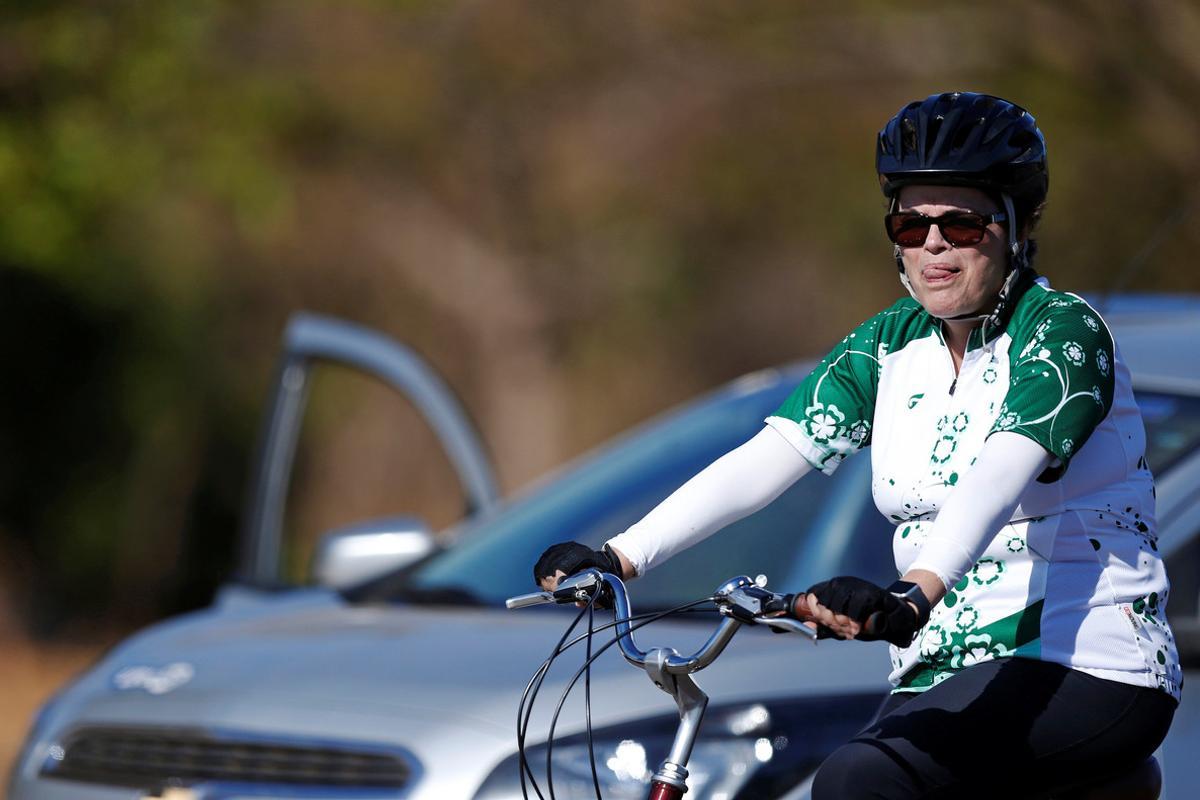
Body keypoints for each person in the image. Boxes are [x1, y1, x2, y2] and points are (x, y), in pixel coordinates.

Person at [532, 92, 1180, 799]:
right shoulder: (887, 344)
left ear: (1015, 227)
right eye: (910, 223)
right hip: (940, 667)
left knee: (857, 781)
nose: (932, 244)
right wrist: (621, 556)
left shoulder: (1062, 332)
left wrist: (912, 593)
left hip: (1083, 659)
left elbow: (1000, 473)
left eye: (961, 224)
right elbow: (768, 458)